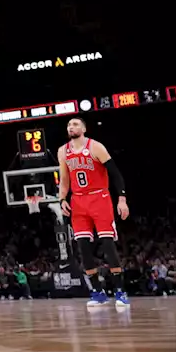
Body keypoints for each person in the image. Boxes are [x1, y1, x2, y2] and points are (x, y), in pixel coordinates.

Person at [57, 117, 131, 309]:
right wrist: (62, 199)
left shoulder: (96, 147)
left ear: (83, 128)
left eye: (75, 124)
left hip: (100, 198)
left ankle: (120, 292)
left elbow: (115, 174)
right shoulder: (63, 151)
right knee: (83, 248)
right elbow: (64, 179)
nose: (71, 127)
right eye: (69, 125)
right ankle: (98, 292)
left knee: (108, 245)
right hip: (78, 201)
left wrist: (121, 200)